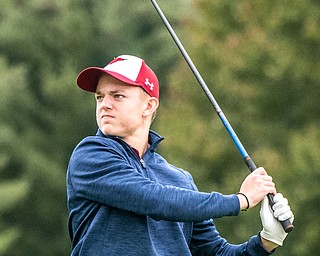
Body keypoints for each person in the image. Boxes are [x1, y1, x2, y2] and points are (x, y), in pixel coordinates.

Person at [66, 54, 293, 255]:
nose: (104, 104)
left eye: (117, 96)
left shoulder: (179, 179)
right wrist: (239, 201)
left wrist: (266, 242)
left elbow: (216, 252)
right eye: (99, 97)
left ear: (149, 106)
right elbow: (153, 199)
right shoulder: (90, 155)